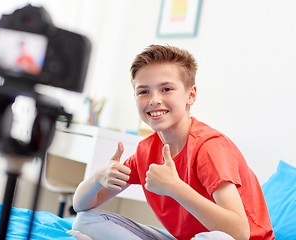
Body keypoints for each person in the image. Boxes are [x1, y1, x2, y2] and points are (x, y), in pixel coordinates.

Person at [68, 45, 275, 240]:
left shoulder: (209, 147)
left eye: (166, 89)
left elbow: (238, 232)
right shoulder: (145, 151)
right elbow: (81, 205)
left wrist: (175, 187)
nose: (154, 99)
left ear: (190, 95)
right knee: (85, 220)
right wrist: (98, 177)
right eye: (143, 91)